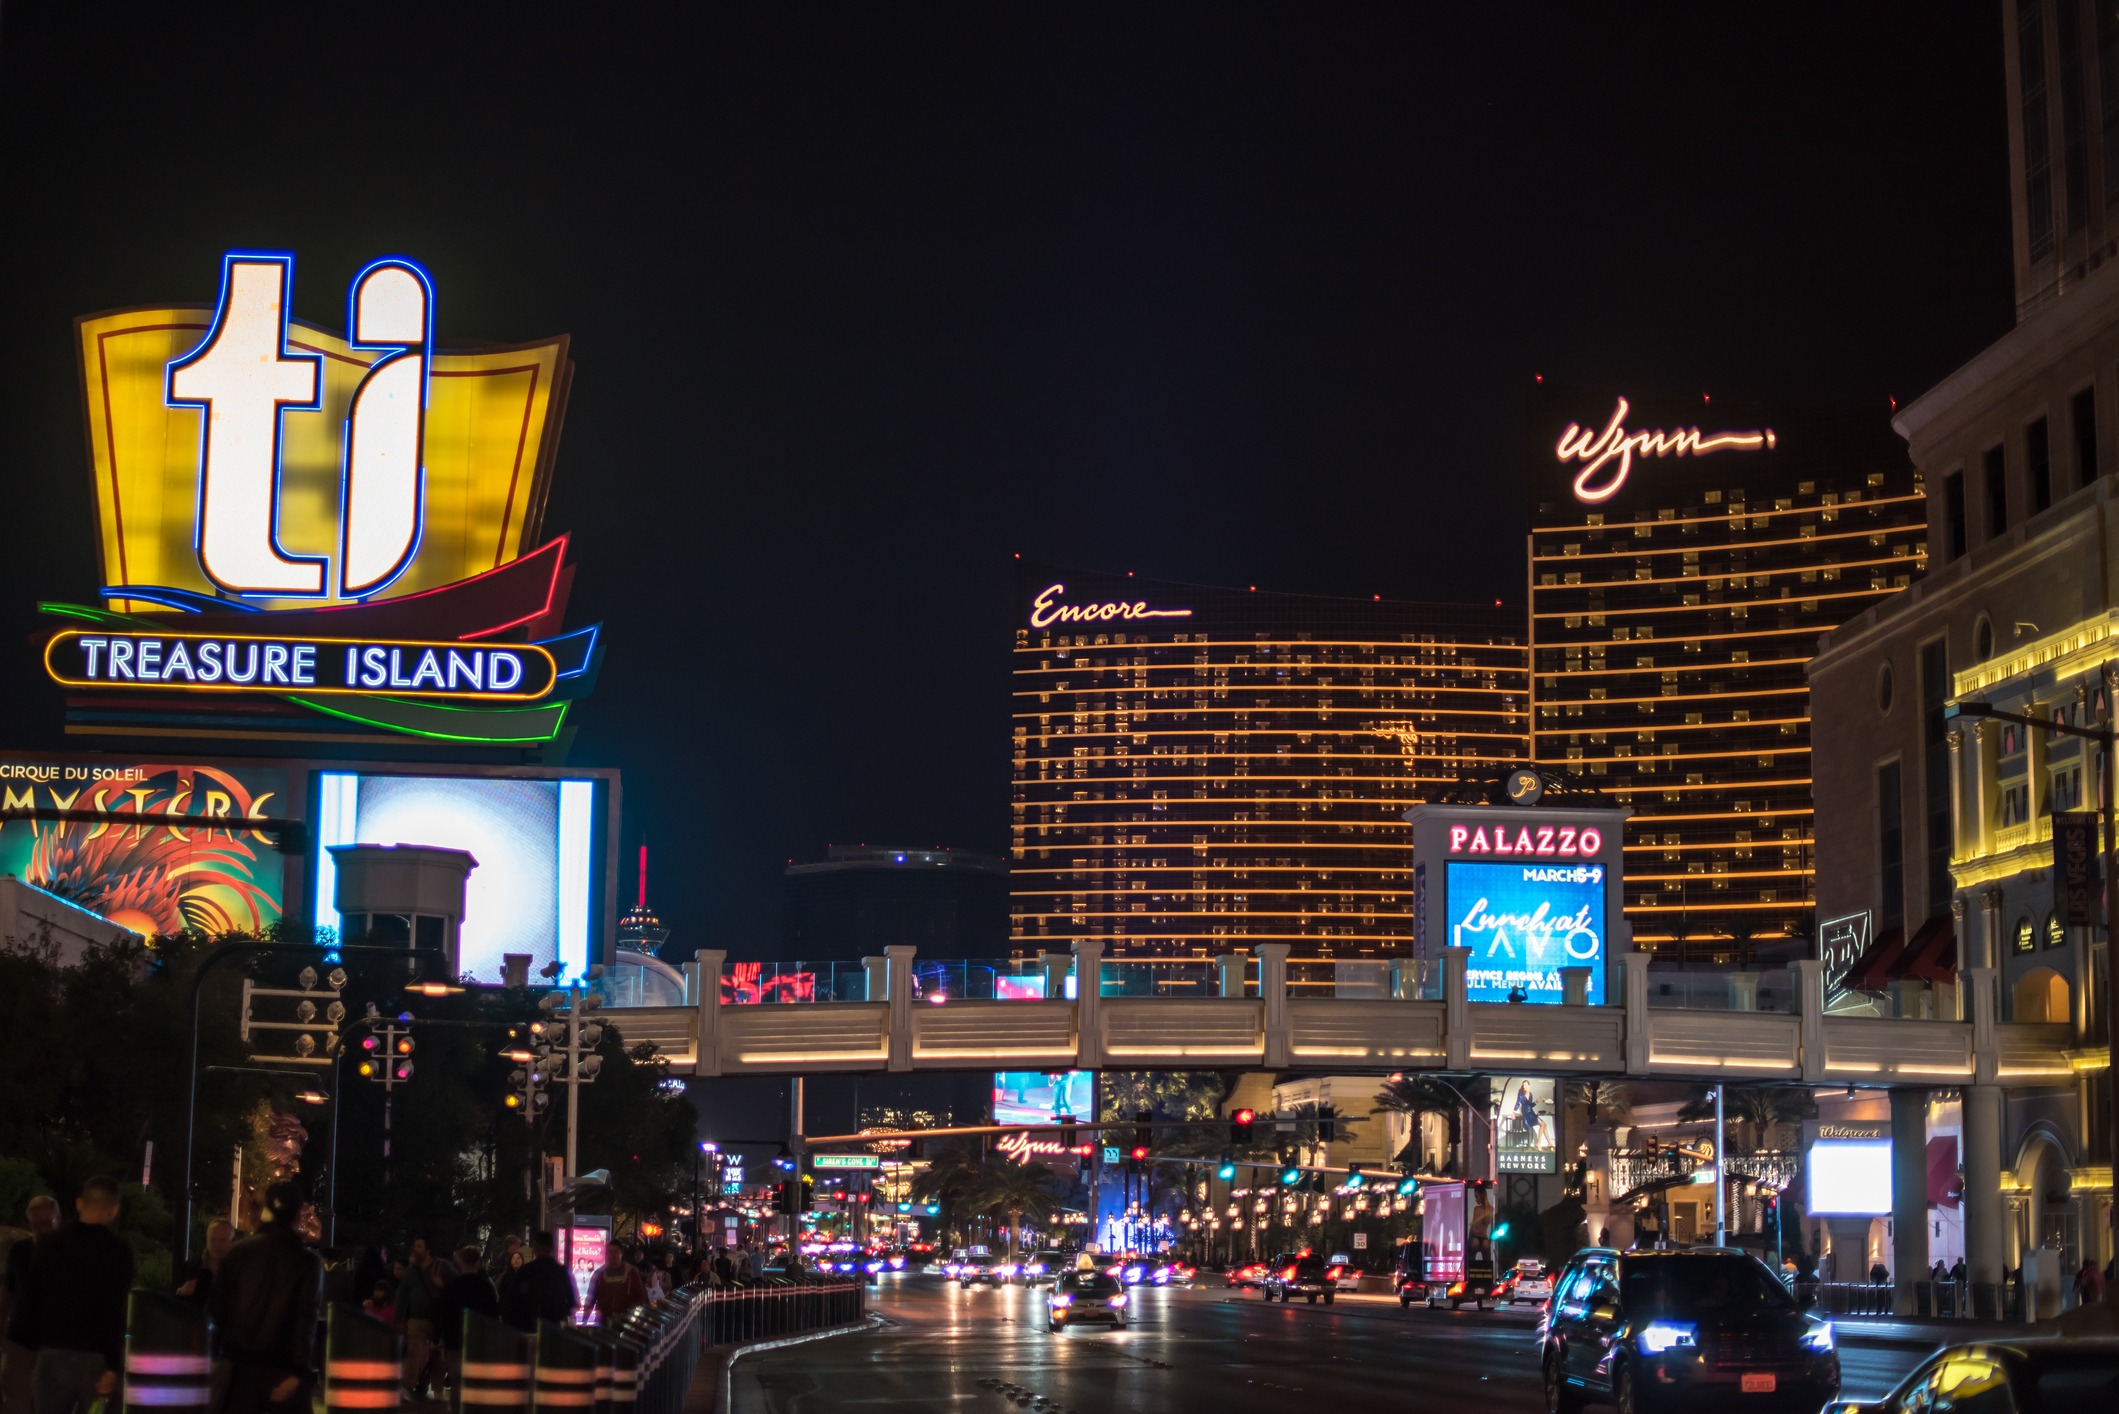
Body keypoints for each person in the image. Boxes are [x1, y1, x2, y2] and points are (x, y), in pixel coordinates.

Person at [19, 1176, 132, 1414]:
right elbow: (116, 1310)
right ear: (114, 1210)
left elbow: (31, 1299)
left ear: (80, 1203)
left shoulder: (49, 1244)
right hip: (96, 1359)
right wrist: (113, 1365)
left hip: (52, 1353)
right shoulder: (118, 1251)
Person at [208, 1181, 321, 1414]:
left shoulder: (238, 1253)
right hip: (282, 1371)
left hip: (238, 1371)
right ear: (297, 1212)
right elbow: (305, 1319)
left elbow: (217, 1310)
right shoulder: (306, 1262)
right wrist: (297, 1370)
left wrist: (216, 1357)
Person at [1, 1196, 61, 1414]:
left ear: (58, 1221)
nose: (43, 1229)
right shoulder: (20, 1251)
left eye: (48, 1223)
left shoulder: (67, 1253)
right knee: (17, 1400)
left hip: (56, 1342)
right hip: (23, 1338)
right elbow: (9, 1292)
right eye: (38, 1224)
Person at [433, 1248, 499, 1389]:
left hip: (455, 1338)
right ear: (478, 1263)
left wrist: (438, 1337)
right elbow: (493, 1315)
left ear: (460, 1262)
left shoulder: (452, 1288)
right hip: (479, 1340)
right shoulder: (485, 1288)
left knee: (457, 1381)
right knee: (477, 1382)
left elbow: (443, 1314)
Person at [499, 1232, 574, 1334]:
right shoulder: (561, 1271)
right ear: (552, 1247)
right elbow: (571, 1300)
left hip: (528, 1326)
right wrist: (559, 1314)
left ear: (536, 1247)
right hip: (552, 1327)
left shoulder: (526, 1271)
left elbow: (512, 1300)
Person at [396, 1238, 442, 1399]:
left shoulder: (441, 1267)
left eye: (419, 1246)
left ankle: (438, 1388)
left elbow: (453, 1289)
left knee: (438, 1353)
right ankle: (407, 1387)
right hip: (416, 1318)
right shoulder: (411, 1270)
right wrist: (400, 1319)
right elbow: (402, 1295)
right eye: (414, 1245)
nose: (415, 1248)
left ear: (428, 1250)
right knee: (413, 1352)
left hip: (438, 1317)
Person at [177, 1220, 237, 1309]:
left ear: (232, 1242)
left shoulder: (238, 1268)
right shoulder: (192, 1265)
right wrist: (182, 1291)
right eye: (213, 1239)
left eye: (223, 1241)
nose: (217, 1245)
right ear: (207, 1239)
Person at [588, 1250, 646, 1328]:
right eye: (610, 1252)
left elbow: (640, 1297)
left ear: (621, 1254)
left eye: (615, 1252)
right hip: (605, 1319)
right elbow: (592, 1296)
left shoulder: (631, 1272)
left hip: (626, 1319)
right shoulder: (599, 1273)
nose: (613, 1256)